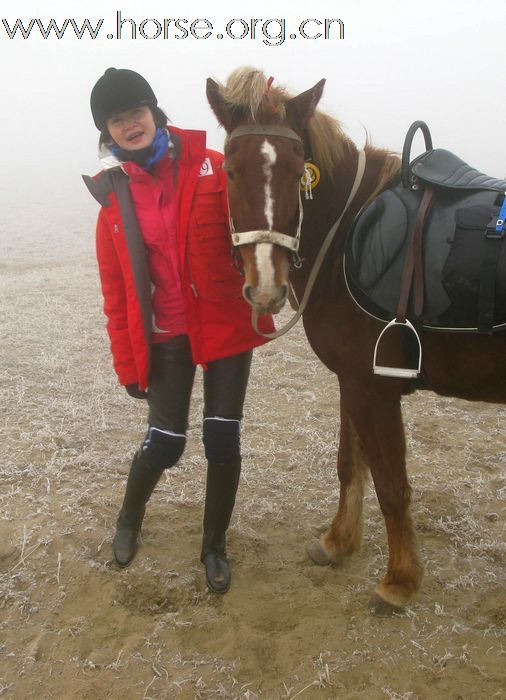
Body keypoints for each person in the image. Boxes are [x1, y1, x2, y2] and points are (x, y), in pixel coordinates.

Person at [83, 68, 274, 594]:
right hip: (166, 334)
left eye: (136, 113)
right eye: (117, 120)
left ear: (155, 113)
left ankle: (214, 545)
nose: (130, 125)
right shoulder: (114, 205)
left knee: (222, 438)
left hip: (225, 326)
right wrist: (127, 363)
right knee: (165, 443)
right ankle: (129, 518)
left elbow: (262, 217)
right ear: (108, 131)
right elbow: (117, 296)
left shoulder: (215, 168)